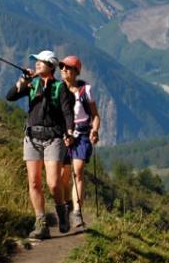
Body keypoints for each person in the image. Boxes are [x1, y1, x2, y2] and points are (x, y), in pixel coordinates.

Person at [6, 50, 75, 239]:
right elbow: (10, 97)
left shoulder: (60, 88)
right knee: (34, 182)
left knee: (53, 183)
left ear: (51, 66)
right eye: (36, 61)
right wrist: (22, 81)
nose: (37, 63)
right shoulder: (31, 83)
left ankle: (62, 211)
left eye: (41, 61)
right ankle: (41, 224)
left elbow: (68, 113)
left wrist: (69, 132)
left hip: (54, 138)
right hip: (32, 138)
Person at [58, 55, 100, 229]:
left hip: (82, 134)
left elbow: (95, 115)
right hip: (63, 135)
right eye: (62, 67)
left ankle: (76, 211)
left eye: (68, 67)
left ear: (76, 72)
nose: (64, 70)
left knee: (78, 172)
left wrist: (94, 130)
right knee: (63, 176)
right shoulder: (58, 89)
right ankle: (68, 203)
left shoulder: (85, 90)